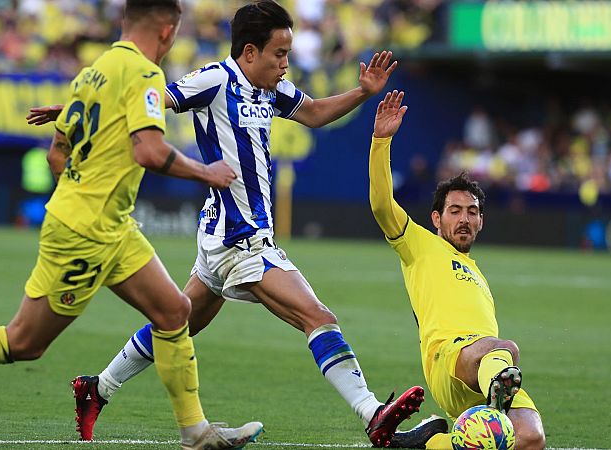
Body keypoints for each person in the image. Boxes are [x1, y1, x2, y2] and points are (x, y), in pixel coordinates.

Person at [0, 2, 265, 449]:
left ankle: (196, 433)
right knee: (25, 341)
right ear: (168, 32)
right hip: (86, 233)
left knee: (174, 311)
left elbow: (58, 153)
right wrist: (206, 172)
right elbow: (149, 151)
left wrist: (83, 187)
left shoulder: (94, 72)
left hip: (110, 226)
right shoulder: (145, 74)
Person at [29, 1, 425, 447]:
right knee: (317, 317)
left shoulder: (273, 89)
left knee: (177, 321)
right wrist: (75, 109)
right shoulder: (216, 80)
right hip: (240, 239)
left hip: (219, 234)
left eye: (288, 55)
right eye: (279, 54)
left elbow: (313, 113)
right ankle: (373, 415)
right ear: (250, 52)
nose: (285, 64)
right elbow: (151, 102)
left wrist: (363, 92)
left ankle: (97, 388)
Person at [366, 90, 547, 449]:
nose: (464, 218)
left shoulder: (478, 275)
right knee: (504, 347)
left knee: (530, 439)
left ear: (481, 221)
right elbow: (382, 204)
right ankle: (498, 389)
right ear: (436, 218)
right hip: (450, 359)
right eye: (455, 210)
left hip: (483, 367)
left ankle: (431, 443)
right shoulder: (420, 245)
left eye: (472, 212)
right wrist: (381, 140)